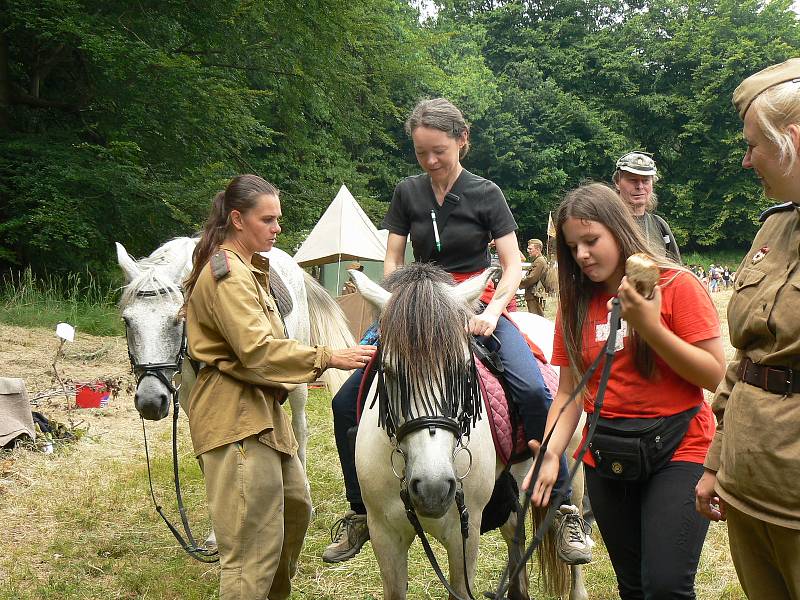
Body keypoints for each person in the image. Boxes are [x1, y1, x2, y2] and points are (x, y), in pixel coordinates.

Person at [323, 97, 589, 566]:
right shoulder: (407, 192)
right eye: (421, 152)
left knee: (533, 388)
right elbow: (392, 259)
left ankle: (564, 505)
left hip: (477, 304)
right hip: (416, 307)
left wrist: (494, 311)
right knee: (346, 400)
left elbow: (511, 266)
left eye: (439, 150)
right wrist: (397, 300)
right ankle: (360, 509)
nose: (430, 161)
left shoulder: (487, 194)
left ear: (462, 141)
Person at [524, 182, 725, 598]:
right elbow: (567, 394)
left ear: (618, 229)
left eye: (592, 240)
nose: (582, 254)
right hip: (607, 455)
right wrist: (550, 453)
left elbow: (713, 375)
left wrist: (649, 326)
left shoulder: (677, 285)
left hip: (679, 449)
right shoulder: (574, 302)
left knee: (666, 586)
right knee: (632, 587)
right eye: (572, 246)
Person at [182, 174, 376, 600]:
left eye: (278, 220)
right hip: (234, 417)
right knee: (251, 550)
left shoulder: (252, 270)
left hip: (264, 413)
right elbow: (257, 350)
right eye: (268, 220)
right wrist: (328, 357)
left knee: (295, 511)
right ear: (237, 219)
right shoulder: (227, 274)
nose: (277, 228)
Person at [695, 58, 800, 598]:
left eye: (753, 144)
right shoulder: (775, 227)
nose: (745, 159)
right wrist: (717, 464)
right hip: (748, 484)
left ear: (794, 141)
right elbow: (748, 360)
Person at [613, 151, 682, 263]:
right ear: (617, 182)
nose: (640, 186)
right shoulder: (606, 222)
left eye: (645, 181)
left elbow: (676, 271)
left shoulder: (660, 225)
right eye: (633, 180)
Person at [520, 238, 547, 315]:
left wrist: (518, 283)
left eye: (530, 249)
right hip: (533, 294)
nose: (528, 250)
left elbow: (532, 278)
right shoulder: (537, 260)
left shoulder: (539, 261)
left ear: (538, 249)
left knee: (536, 318)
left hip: (535, 295)